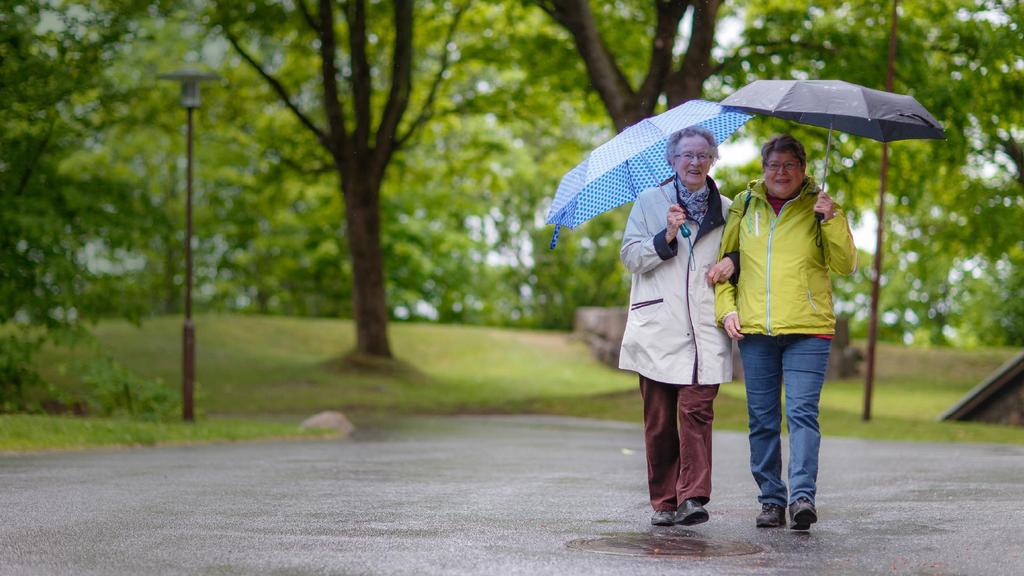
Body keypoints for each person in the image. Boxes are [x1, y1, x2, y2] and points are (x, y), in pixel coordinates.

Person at [715, 134, 857, 531]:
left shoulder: (823, 206)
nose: (781, 173)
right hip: (756, 329)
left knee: (801, 415)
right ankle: (771, 500)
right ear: (763, 169)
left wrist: (831, 220)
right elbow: (726, 265)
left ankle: (802, 498)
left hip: (809, 329)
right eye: (774, 165)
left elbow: (846, 264)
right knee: (762, 419)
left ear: (804, 168)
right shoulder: (744, 205)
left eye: (789, 165)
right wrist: (727, 311)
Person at [619, 126, 737, 527]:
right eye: (686, 155)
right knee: (659, 421)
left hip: (705, 328)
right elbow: (630, 257)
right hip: (658, 326)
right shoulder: (650, 203)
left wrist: (732, 263)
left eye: (703, 155)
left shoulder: (728, 208)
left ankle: (693, 498)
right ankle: (665, 502)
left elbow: (741, 255)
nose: (694, 162)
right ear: (672, 161)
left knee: (697, 411)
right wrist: (665, 235)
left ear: (713, 160)